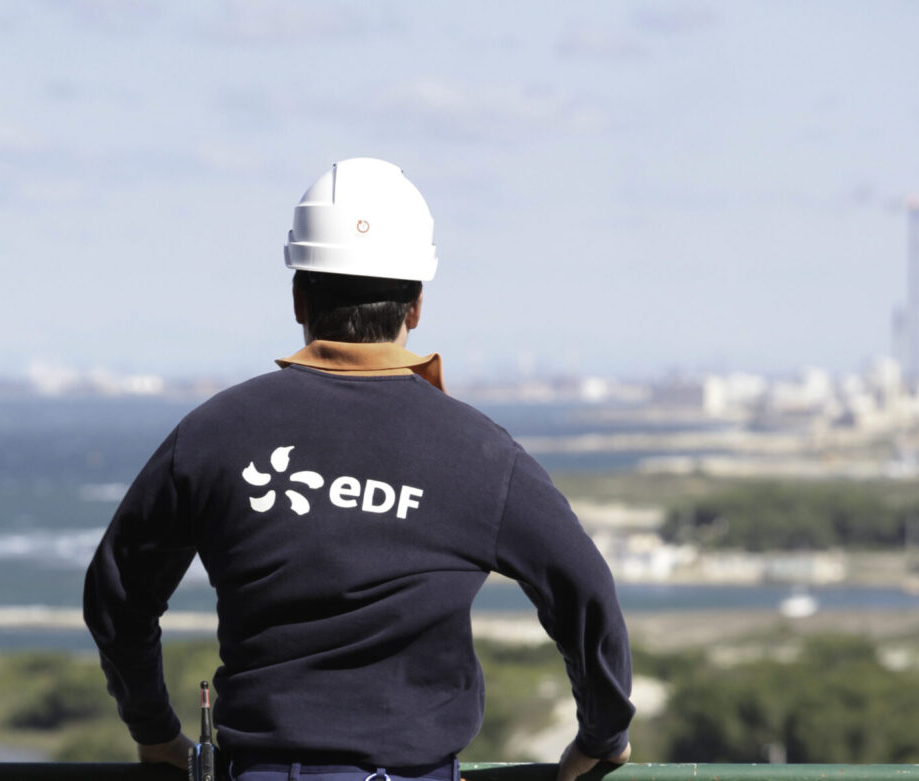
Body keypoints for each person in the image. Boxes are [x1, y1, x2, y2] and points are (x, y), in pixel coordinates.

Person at [84, 158, 634, 781]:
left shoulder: (214, 433)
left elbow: (117, 595)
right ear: (416, 305)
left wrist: (155, 730)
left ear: (298, 297)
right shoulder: (480, 453)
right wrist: (603, 733)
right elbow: (585, 591)